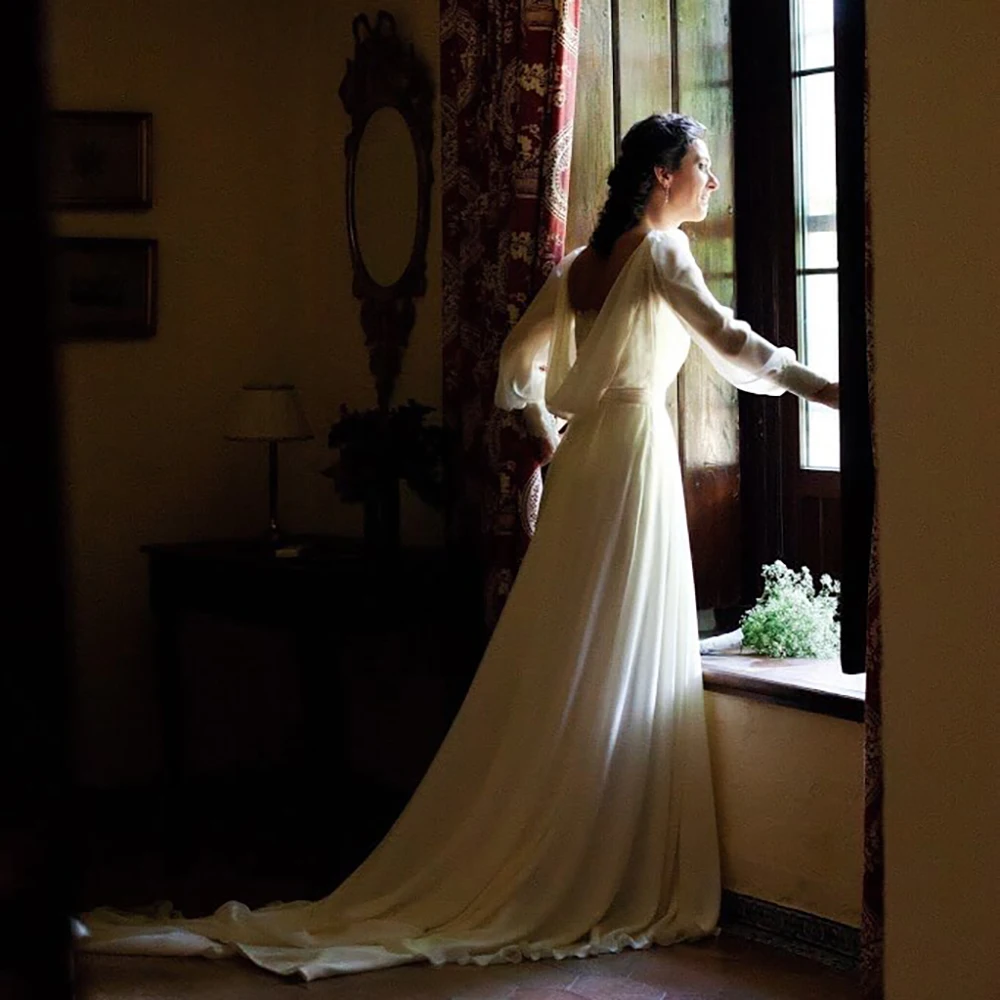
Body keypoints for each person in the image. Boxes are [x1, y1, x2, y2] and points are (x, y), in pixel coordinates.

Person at [76, 113, 838, 981]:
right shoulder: (660, 254)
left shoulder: (581, 266)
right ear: (662, 175)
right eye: (702, 167)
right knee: (610, 653)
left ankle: (558, 838)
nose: (713, 183)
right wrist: (831, 390)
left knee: (571, 657)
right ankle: (591, 853)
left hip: (592, 464)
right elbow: (731, 342)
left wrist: (553, 433)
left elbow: (516, 365)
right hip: (629, 465)